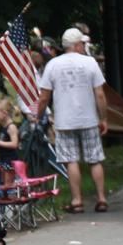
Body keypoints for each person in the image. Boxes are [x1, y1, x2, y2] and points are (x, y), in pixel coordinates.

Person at [38, 27, 109, 213]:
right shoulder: (90, 62)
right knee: (95, 159)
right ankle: (101, 198)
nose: (84, 46)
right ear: (76, 45)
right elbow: (100, 95)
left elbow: (44, 96)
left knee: (71, 160)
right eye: (82, 44)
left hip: (64, 119)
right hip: (89, 119)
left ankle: (77, 200)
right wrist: (104, 118)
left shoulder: (53, 64)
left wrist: (38, 116)